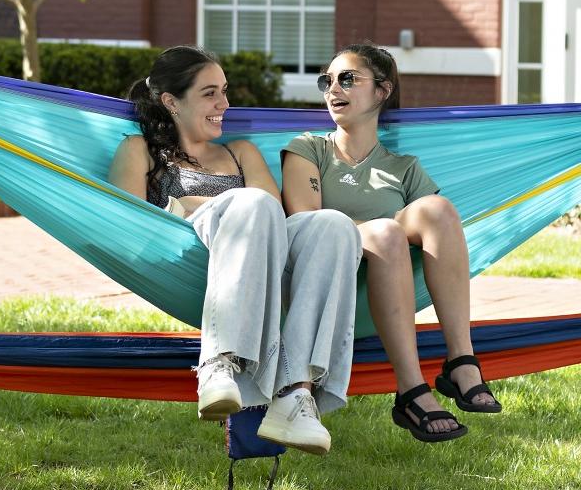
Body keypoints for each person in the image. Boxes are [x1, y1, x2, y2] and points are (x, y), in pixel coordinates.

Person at [109, 45, 361, 456]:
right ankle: (217, 363)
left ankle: (295, 394)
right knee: (251, 202)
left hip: (259, 260)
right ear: (171, 101)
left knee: (334, 225)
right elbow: (131, 226)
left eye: (224, 91)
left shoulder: (239, 152)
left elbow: (271, 222)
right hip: (189, 259)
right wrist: (200, 209)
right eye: (210, 93)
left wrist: (189, 203)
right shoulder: (141, 151)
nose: (224, 104)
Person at [281, 42, 501, 444]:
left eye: (348, 79)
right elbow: (306, 219)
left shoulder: (404, 167)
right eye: (326, 81)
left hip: (392, 283)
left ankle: (461, 359)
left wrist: (392, 230)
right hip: (326, 283)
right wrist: (383, 228)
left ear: (382, 91)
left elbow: (439, 232)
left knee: (439, 210)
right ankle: (410, 389)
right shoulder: (309, 148)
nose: (333, 89)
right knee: (385, 231)